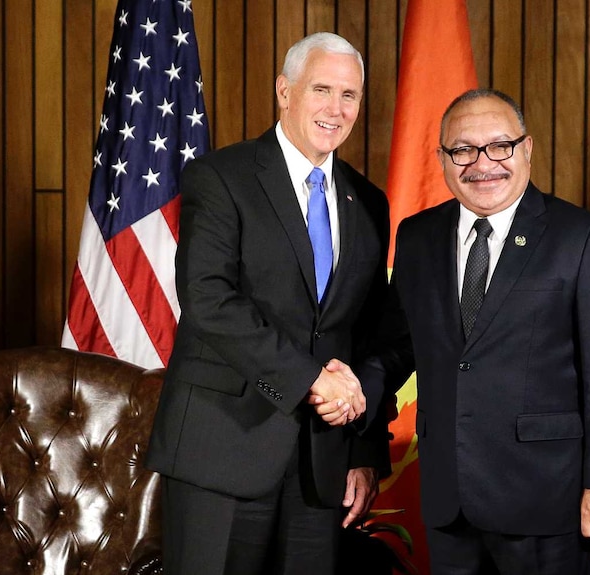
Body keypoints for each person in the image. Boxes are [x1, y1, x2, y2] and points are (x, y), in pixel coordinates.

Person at [330, 88, 590, 574]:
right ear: (442, 159)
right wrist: (350, 409)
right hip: (448, 497)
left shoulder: (580, 237)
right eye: (463, 149)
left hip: (545, 499)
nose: (483, 163)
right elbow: (394, 349)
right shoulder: (418, 236)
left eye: (500, 146)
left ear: (527, 149)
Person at [145, 32, 390, 575]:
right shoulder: (221, 177)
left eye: (349, 95)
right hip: (222, 448)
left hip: (321, 467)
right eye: (321, 89)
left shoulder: (368, 201)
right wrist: (309, 378)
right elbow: (208, 299)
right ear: (285, 91)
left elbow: (369, 334)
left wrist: (364, 452)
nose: (336, 109)